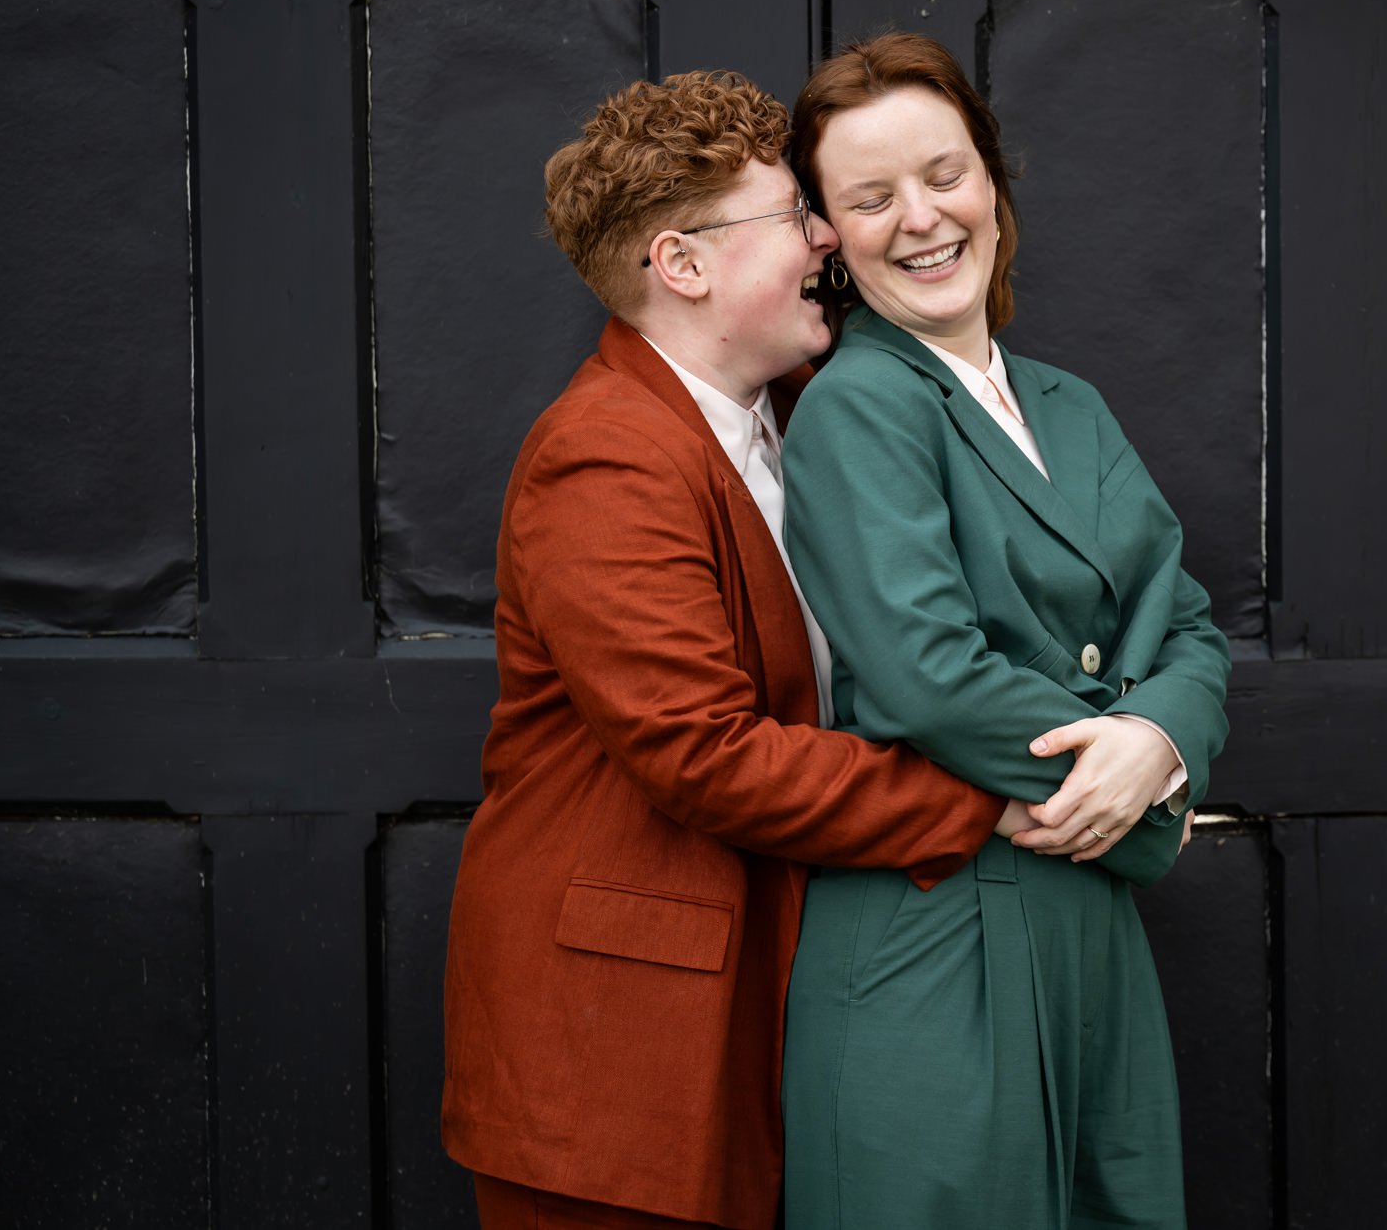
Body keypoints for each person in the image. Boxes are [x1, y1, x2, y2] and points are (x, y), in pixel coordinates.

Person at [440, 70, 1036, 1230]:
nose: (827, 235)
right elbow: (702, 753)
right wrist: (988, 799)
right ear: (684, 264)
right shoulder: (602, 458)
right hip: (615, 1059)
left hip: (772, 1014)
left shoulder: (815, 408)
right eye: (794, 216)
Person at [778, 34, 1233, 1229]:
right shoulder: (857, 408)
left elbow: (1187, 627)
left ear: (992, 182)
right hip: (939, 921)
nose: (919, 219)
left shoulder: (1066, 403)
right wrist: (1129, 797)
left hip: (1084, 915)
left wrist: (1159, 750)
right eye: (869, 198)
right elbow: (928, 675)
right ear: (825, 233)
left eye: (944, 174)